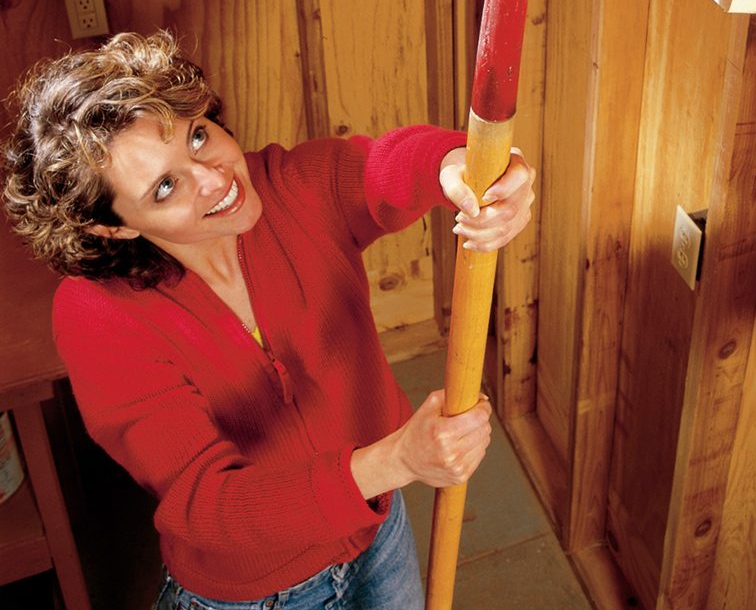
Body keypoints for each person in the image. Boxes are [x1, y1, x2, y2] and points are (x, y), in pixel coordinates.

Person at [2, 30, 534, 609]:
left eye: (197, 136)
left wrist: (458, 168)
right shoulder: (98, 318)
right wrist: (397, 460)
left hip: (377, 531)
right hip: (259, 593)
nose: (216, 179)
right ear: (114, 226)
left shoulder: (288, 186)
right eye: (165, 187)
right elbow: (206, 505)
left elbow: (385, 165)